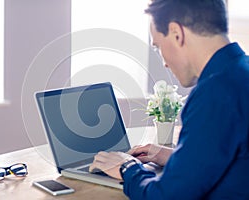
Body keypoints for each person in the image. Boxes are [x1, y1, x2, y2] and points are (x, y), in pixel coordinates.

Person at [89, 0, 249, 199]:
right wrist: (176, 157)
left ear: (176, 33)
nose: (164, 62)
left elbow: (166, 196)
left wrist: (128, 167)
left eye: (157, 46)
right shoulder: (241, 72)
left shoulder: (215, 92)